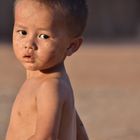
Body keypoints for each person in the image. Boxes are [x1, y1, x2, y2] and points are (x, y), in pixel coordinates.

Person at [6, 0, 89, 139]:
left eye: (43, 36)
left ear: (71, 46)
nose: (29, 44)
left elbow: (45, 137)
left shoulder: (50, 86)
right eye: (23, 32)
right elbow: (75, 125)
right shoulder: (48, 82)